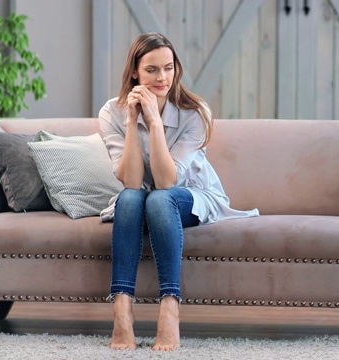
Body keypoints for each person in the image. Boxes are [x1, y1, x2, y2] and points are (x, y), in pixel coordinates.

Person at [98, 32, 258, 351]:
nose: (163, 78)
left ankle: (170, 310)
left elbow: (167, 182)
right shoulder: (111, 112)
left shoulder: (195, 112)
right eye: (152, 70)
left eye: (169, 68)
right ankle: (122, 313)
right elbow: (131, 182)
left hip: (190, 197)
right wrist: (133, 122)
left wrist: (155, 122)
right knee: (130, 197)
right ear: (134, 72)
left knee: (160, 197)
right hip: (141, 199)